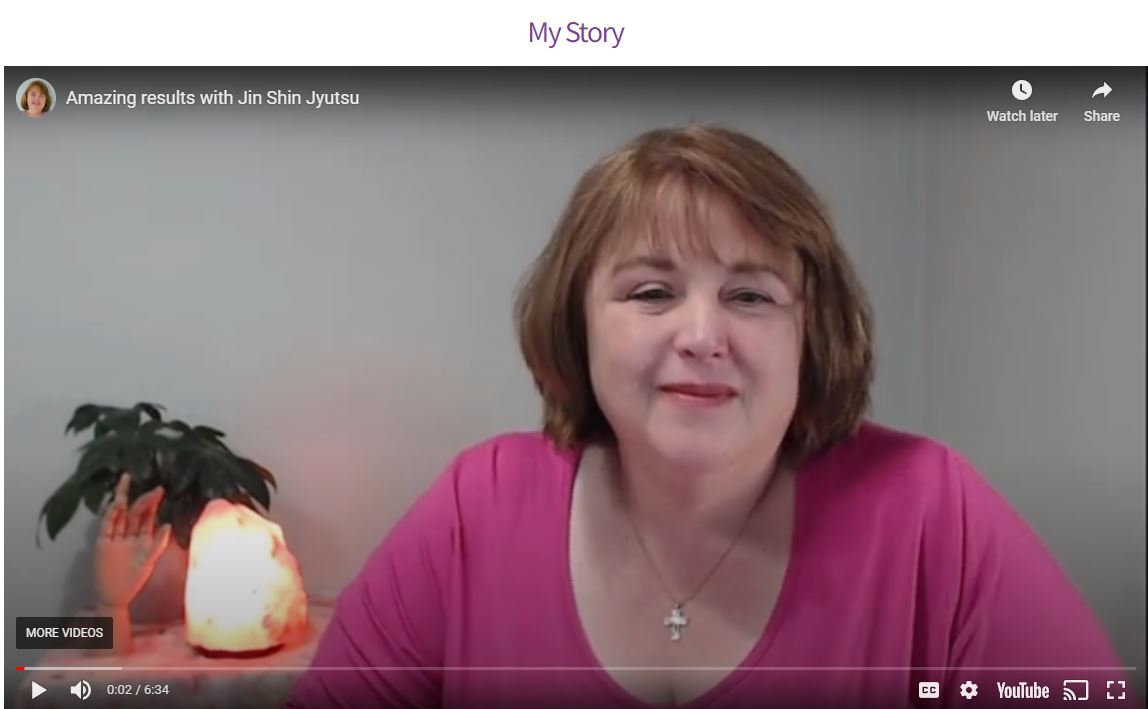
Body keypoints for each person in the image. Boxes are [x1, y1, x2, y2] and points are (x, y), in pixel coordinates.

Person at [286, 125, 1127, 708]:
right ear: (577, 323)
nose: (702, 335)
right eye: (652, 292)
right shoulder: (476, 507)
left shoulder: (930, 511)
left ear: (812, 333)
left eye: (751, 295)